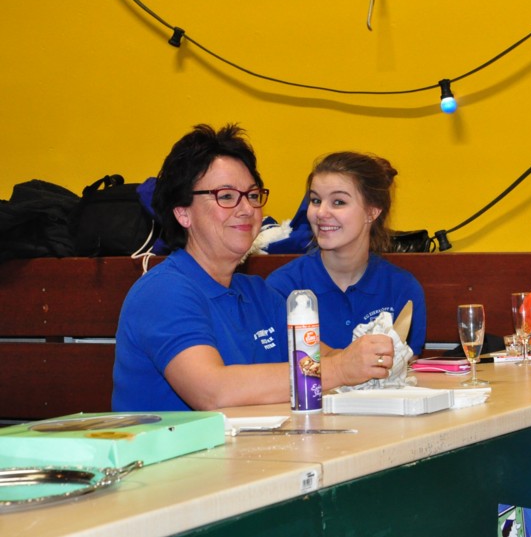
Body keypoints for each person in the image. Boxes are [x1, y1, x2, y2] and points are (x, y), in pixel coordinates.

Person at [112, 125, 395, 412]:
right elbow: (212, 391)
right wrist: (341, 369)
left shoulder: (259, 294)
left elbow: (326, 358)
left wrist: (378, 361)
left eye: (252, 195)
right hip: (173, 444)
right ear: (183, 212)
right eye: (226, 196)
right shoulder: (163, 291)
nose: (247, 208)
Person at [267, 151, 427, 355]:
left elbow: (406, 365)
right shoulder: (283, 287)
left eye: (338, 202)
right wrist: (345, 361)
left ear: (372, 211)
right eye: (315, 200)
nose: (321, 213)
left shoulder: (402, 289)